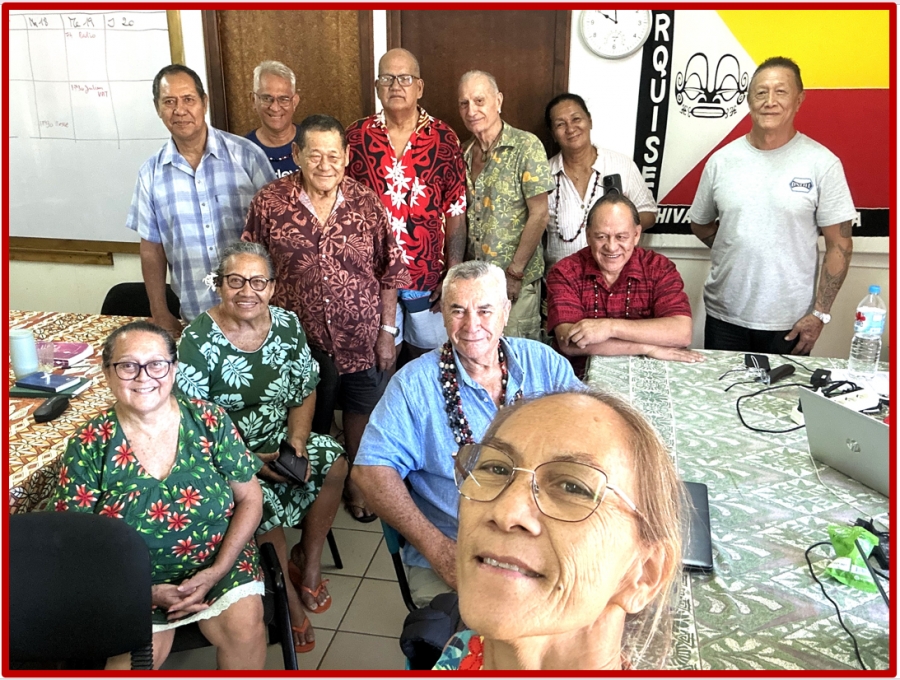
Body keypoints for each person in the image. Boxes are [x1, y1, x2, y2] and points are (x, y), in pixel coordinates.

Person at [352, 261, 582, 608]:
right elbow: (369, 471)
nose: (472, 325)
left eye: (485, 310)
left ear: (506, 311)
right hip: (459, 549)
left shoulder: (543, 364)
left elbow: (590, 432)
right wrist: (438, 550)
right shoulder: (413, 385)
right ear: (443, 314)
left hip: (543, 538)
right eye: (458, 310)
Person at [51, 321, 266, 670]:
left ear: (174, 369)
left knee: (245, 629)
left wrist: (216, 571)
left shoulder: (209, 420)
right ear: (107, 374)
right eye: (127, 365)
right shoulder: (90, 443)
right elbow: (74, 542)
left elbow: (250, 499)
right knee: (132, 664)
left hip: (218, 561)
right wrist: (144, 592)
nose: (143, 377)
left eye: (156, 364)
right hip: (130, 580)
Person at [175, 242, 348, 654]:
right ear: (219, 286)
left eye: (257, 282)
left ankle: (307, 562)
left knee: (336, 464)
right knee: (261, 504)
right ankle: (288, 601)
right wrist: (249, 461)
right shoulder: (197, 340)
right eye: (235, 281)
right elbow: (193, 426)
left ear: (272, 287)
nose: (246, 291)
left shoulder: (286, 325)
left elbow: (305, 389)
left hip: (280, 439)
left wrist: (298, 440)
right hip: (223, 456)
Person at [434, 389, 684, 670]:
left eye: (572, 487)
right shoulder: (460, 651)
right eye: (496, 469)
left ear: (644, 573)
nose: (506, 513)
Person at [242, 114, 411, 523]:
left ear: (347, 156)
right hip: (298, 342)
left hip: (361, 336)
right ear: (296, 154)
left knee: (361, 412)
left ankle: (357, 482)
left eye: (333, 155)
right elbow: (252, 270)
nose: (325, 164)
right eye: (314, 155)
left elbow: (389, 272)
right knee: (307, 418)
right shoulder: (269, 203)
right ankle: (315, 490)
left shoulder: (366, 202)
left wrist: (387, 332)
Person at [689, 56, 855, 355]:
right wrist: (732, 246)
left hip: (791, 324)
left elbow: (839, 244)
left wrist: (820, 313)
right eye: (761, 92)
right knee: (721, 387)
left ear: (798, 100)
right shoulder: (721, 161)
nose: (770, 101)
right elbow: (700, 223)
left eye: (781, 92)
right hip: (724, 317)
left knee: (783, 389)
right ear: (748, 99)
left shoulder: (823, 164)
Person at [126, 64, 276, 334]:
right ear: (158, 108)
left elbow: (278, 234)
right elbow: (151, 249)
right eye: (169, 102)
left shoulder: (247, 156)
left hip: (256, 316)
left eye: (188, 99)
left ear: (204, 102)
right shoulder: (151, 174)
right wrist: (159, 311)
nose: (179, 110)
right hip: (195, 318)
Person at [346, 48, 467, 360]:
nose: (396, 85)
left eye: (405, 78)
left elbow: (455, 209)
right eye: (387, 78)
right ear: (377, 86)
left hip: (428, 276)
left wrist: (453, 272)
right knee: (382, 362)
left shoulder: (444, 138)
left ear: (419, 87)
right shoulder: (356, 137)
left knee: (431, 360)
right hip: (370, 277)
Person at [547, 193, 702, 377]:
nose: (611, 247)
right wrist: (647, 347)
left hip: (648, 376)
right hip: (579, 381)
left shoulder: (659, 268)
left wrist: (610, 328)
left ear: (636, 235)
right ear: (588, 236)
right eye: (601, 237)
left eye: (621, 237)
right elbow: (569, 342)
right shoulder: (565, 272)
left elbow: (681, 333)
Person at [458, 70, 553, 340]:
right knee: (480, 352)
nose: (471, 110)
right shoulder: (463, 152)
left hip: (516, 283)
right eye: (464, 103)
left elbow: (540, 214)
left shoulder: (525, 146)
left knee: (516, 353)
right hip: (476, 284)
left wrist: (515, 272)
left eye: (479, 101)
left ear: (498, 101)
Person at [544, 93, 657, 269]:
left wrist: (617, 224)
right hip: (562, 278)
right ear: (553, 134)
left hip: (615, 277)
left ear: (590, 121)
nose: (570, 128)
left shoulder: (621, 165)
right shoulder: (543, 174)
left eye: (576, 119)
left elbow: (649, 214)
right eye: (560, 124)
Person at [246, 60, 302, 178]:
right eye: (266, 98)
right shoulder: (243, 152)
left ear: (294, 102)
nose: (275, 107)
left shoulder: (312, 143)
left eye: (283, 99)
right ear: (253, 100)